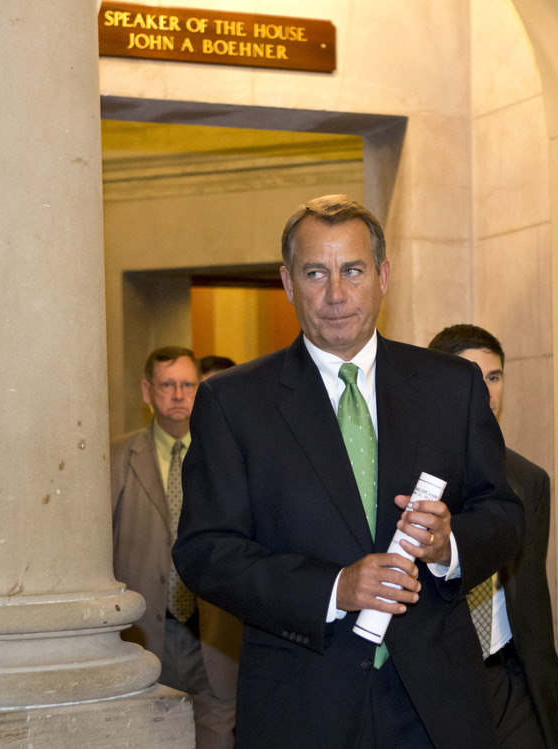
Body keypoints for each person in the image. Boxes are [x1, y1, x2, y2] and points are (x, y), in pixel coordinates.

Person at [173, 195, 524, 749]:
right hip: (302, 707)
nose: (336, 294)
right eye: (316, 273)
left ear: (383, 277)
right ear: (288, 283)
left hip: (437, 709)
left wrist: (448, 545)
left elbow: (503, 514)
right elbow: (204, 553)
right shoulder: (233, 403)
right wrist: (334, 588)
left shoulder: (451, 386)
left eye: (353, 271)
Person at [428, 324, 558, 748]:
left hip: (509, 683)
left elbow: (533, 602)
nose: (486, 391)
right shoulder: (410, 478)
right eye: (471, 376)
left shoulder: (528, 480)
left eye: (494, 376)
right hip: (438, 685)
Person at [110, 346, 237, 748]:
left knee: (218, 735)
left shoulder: (228, 452)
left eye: (188, 385)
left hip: (213, 633)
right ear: (147, 391)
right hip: (145, 632)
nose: (179, 395)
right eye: (167, 385)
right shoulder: (116, 458)